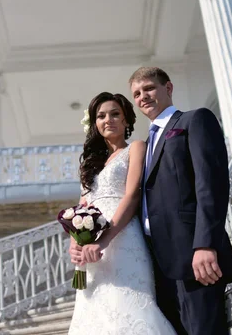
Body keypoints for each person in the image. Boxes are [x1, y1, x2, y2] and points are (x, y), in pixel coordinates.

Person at [129, 66, 232, 334]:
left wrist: (205, 244)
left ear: (168, 88)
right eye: (136, 93)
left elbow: (210, 186)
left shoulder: (194, 120)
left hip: (194, 257)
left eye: (149, 88)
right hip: (157, 263)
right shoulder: (144, 146)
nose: (143, 96)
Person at [68, 92, 176, 334]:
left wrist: (104, 241)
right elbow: (80, 208)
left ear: (126, 119)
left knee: (127, 309)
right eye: (101, 116)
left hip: (123, 240)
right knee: (94, 314)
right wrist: (75, 243)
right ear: (95, 124)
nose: (109, 119)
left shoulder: (136, 147)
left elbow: (132, 195)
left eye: (115, 114)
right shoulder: (90, 165)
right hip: (89, 252)